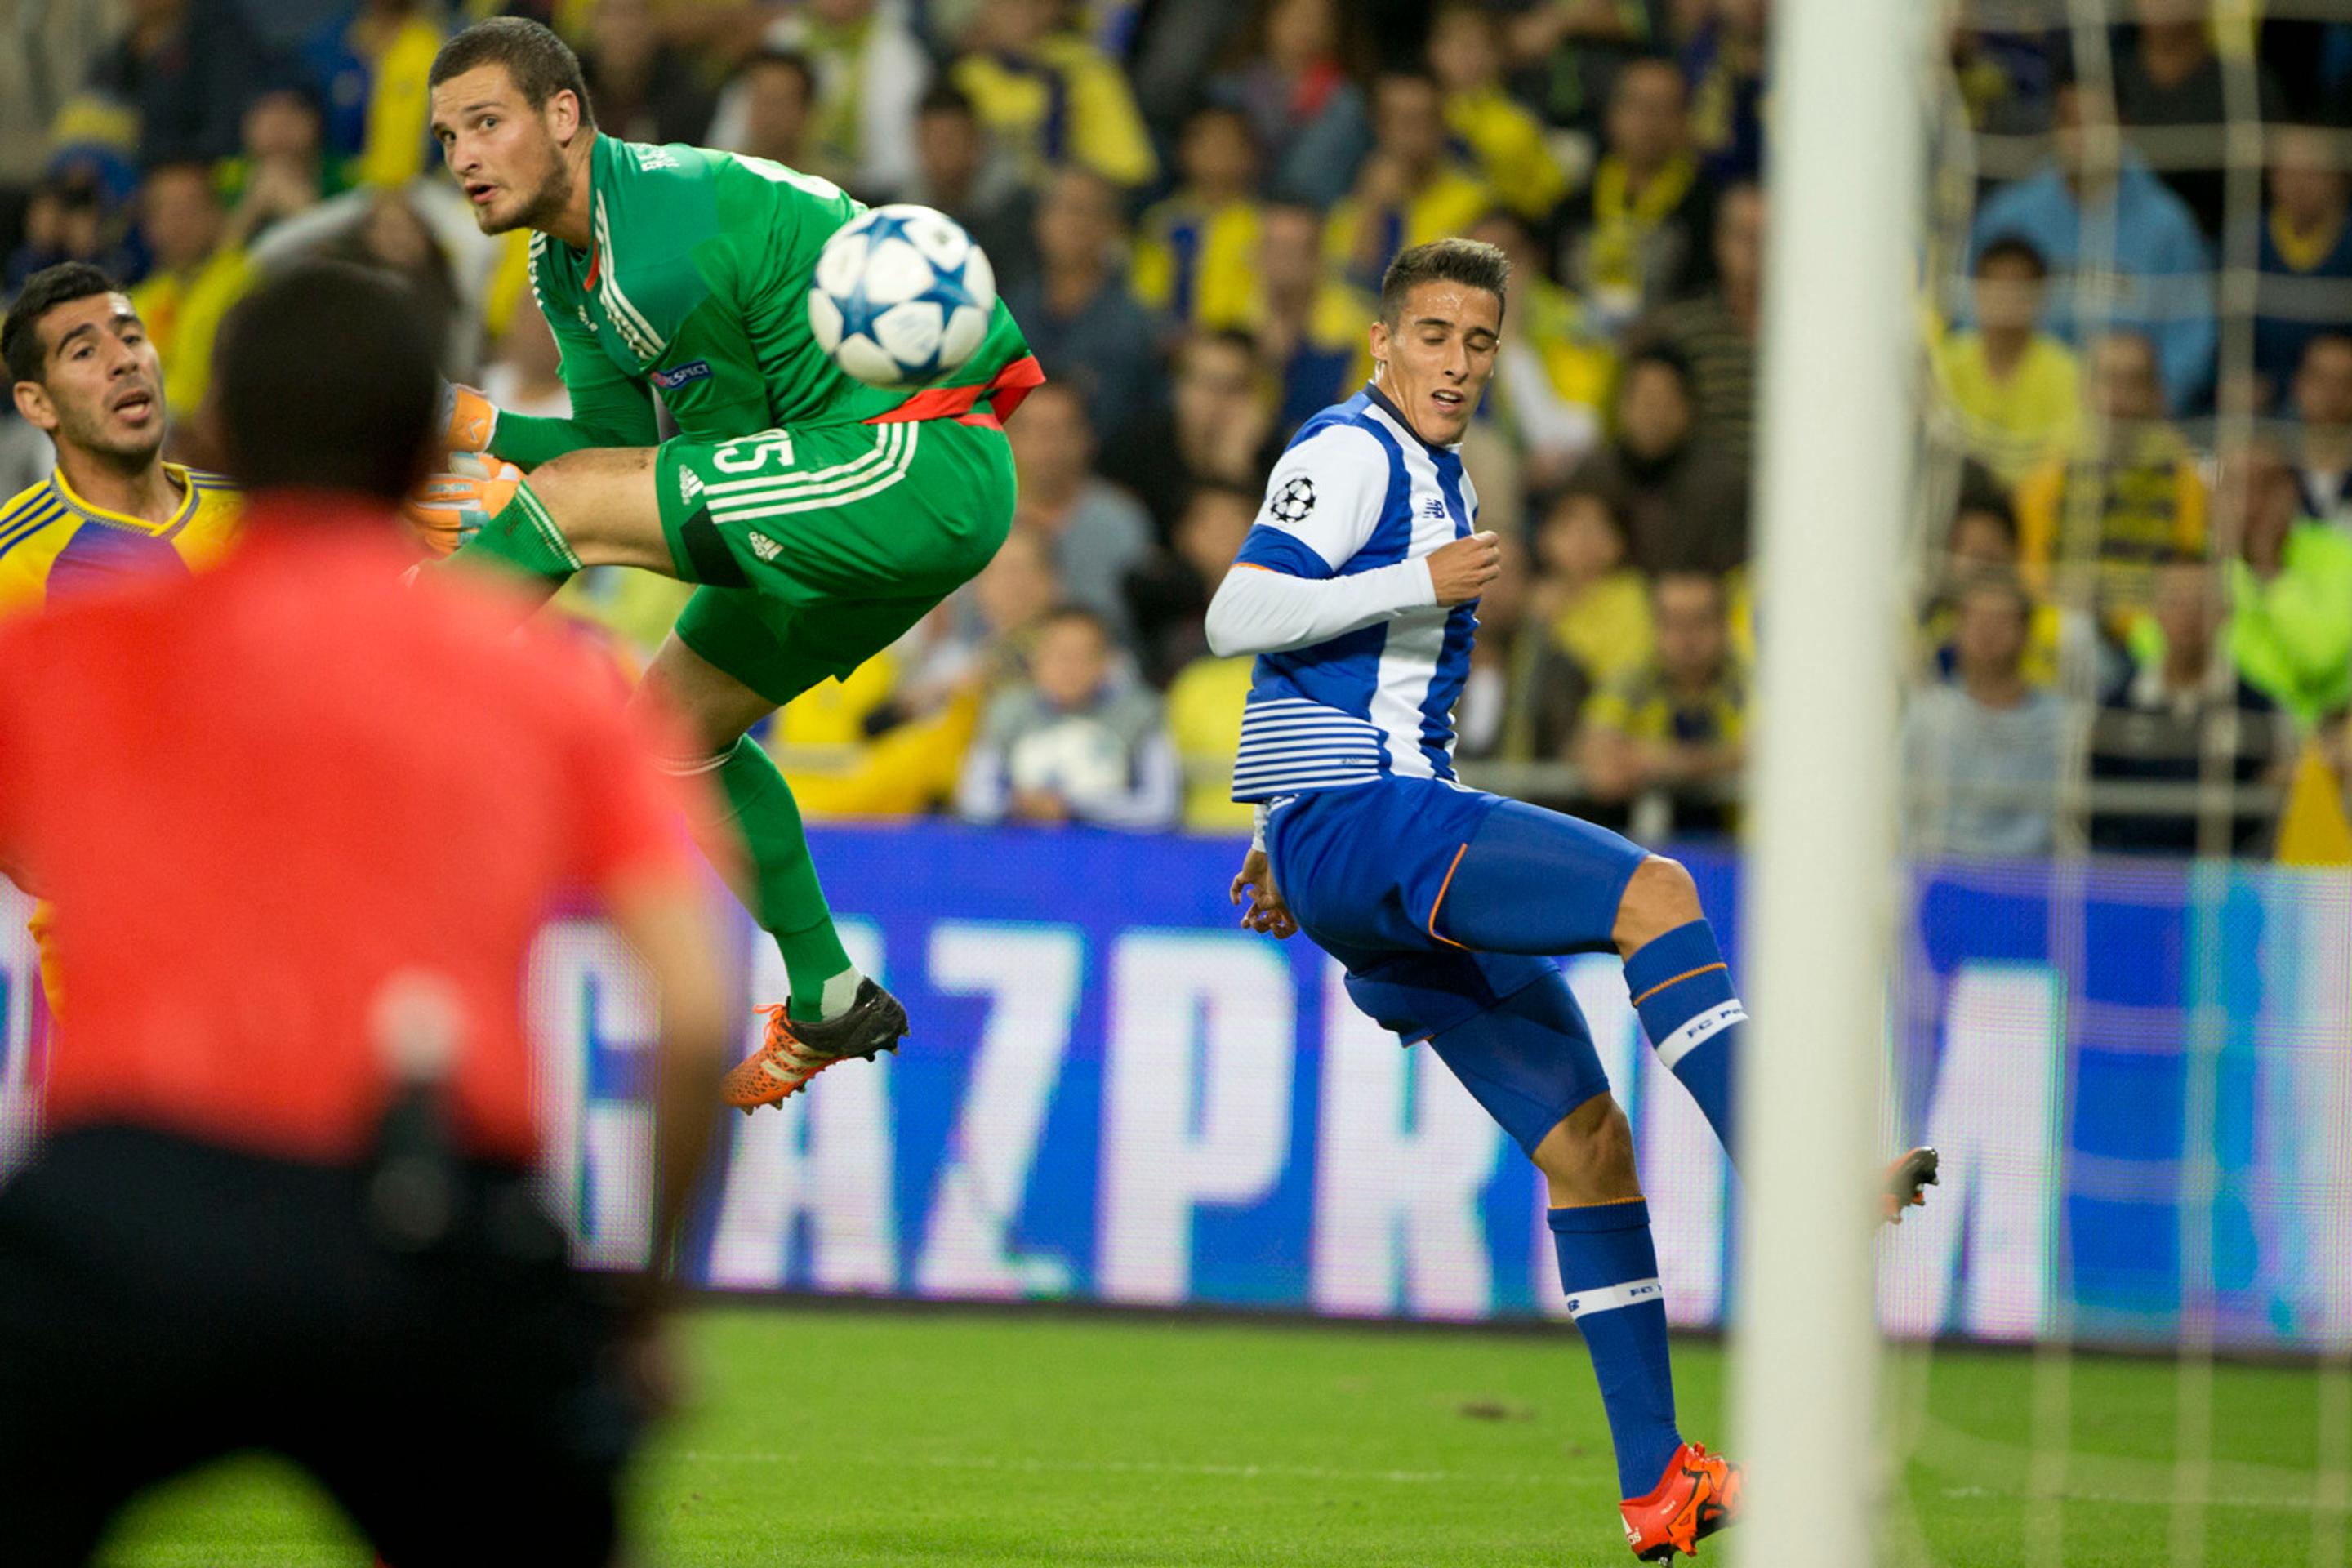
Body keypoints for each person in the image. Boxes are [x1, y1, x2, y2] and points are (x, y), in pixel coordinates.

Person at [1204, 237, 1929, 1564]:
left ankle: (1658, 1482)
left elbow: (1327, 676)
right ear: (1381, 340)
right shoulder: (1352, 450)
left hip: (1351, 853)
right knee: (1656, 890)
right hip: (1371, 829)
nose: (1456, 365)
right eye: (1432, 336)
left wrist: (1270, 820)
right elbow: (1238, 610)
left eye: (1478, 343)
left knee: (1589, 1144)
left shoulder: (1439, 471)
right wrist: (1404, 594)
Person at [0, 261, 731, 1568]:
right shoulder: (547, 683)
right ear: (415, 459)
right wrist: (645, 1314)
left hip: (124, 1222)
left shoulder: (65, 653)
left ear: (221, 432)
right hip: (427, 1227)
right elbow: (691, 1013)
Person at [419, 18, 1042, 1111]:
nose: (463, 156)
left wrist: (490, 495)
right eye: (446, 136)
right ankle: (830, 992)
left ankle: (368, 678)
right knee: (665, 731)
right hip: (856, 477)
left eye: (486, 123)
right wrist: (485, 428)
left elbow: (661, 475)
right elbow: (635, 463)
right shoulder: (567, 265)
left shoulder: (664, 234)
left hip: (910, 458)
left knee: (559, 516)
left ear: (564, 116)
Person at [1969, 80, 2216, 416]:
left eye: (2095, 123)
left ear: (2124, 128)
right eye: (2070, 122)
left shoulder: (2168, 226)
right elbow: (1966, 318)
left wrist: (2151, 403)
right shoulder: (2008, 215)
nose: (2081, 138)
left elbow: (2192, 336)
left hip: (2132, 425)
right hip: (2021, 424)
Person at [954, 604, 1179, 829]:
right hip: (1020, 851)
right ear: (1036, 661)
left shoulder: (1141, 712)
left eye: (1083, 656)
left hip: (1109, 853)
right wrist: (1016, 805)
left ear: (1106, 662)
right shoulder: (1007, 711)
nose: (1070, 667)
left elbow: (1160, 806)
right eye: (1059, 655)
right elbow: (973, 798)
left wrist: (1073, 808)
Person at [1904, 569, 2069, 859]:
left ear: (2026, 630)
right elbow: (1903, 810)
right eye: (1975, 618)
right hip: (1938, 878)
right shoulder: (1928, 714)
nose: (1986, 631)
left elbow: (2058, 822)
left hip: (2027, 884)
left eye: (2000, 620)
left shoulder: (2060, 721)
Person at [1572, 568, 1748, 835]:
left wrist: (1668, 763)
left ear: (1724, 625)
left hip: (1740, 849)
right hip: (1647, 845)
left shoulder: (1751, 683)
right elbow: (1596, 750)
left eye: (1700, 621)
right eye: (1674, 622)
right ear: (1655, 625)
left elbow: (1764, 752)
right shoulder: (1633, 681)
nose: (1687, 638)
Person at [1554, 54, 1713, 333]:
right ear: (1612, 114)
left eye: (1664, 108)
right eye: (1638, 105)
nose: (1649, 121)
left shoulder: (1708, 209)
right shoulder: (1573, 202)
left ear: (1686, 119)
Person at [1931, 234, 2082, 489]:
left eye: (2017, 286)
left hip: (2035, 503)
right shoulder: (1947, 360)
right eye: (1995, 284)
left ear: (2041, 296)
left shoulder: (2066, 369)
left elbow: (2066, 452)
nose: (2006, 298)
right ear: (1976, 289)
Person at [2253, 127, 2352, 403]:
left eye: (2312, 173)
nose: (2299, 185)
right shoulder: (2245, 242)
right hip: (2263, 402)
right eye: (2288, 172)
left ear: (2338, 178)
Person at [2289, 332, 2352, 526]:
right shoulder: (2267, 476)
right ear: (2298, 385)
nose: (2333, 393)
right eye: (2321, 378)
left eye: (2346, 381)